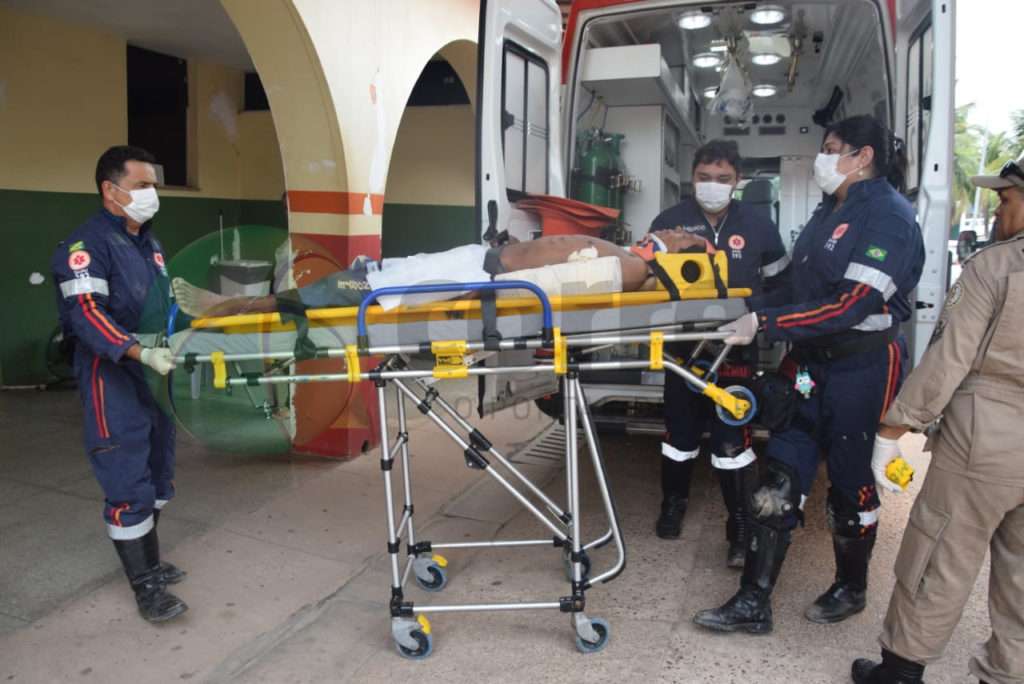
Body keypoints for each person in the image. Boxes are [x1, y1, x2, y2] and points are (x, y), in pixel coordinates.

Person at [693, 114, 925, 634]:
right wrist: (732, 308)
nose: (824, 158)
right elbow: (797, 291)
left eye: (832, 148)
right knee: (779, 474)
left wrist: (764, 323)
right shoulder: (828, 212)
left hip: (861, 366)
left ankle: (852, 585)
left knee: (849, 482)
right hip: (808, 366)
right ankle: (753, 601)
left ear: (862, 157)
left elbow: (852, 304)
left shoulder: (890, 216)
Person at [851, 155, 1024, 684]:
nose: (998, 210)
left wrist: (894, 427)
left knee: (941, 555)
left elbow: (951, 358)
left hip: (986, 439)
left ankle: (900, 673)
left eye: (1007, 198)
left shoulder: (999, 266)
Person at [50, 146, 186, 623]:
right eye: (143, 185)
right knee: (127, 477)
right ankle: (145, 586)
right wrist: (140, 350)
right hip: (112, 375)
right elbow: (87, 314)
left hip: (152, 376)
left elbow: (164, 302)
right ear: (111, 190)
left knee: (158, 470)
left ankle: (149, 559)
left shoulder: (149, 243)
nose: (151, 194)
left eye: (153, 185)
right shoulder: (85, 247)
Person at [648, 140, 790, 568]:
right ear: (692, 178)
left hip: (736, 349)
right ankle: (673, 503)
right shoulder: (668, 223)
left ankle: (740, 525)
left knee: (733, 440)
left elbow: (782, 286)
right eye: (705, 178)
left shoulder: (759, 226)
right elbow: (647, 285)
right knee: (679, 437)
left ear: (738, 182)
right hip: (682, 349)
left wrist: (757, 319)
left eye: (723, 179)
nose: (713, 186)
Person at [170, 228, 710, 318]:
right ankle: (225, 304)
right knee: (358, 278)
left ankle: (222, 307)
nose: (683, 231)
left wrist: (487, 295)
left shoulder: (634, 269)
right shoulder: (631, 257)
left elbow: (550, 288)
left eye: (691, 241)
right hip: (469, 262)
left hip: (466, 279)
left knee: (333, 291)